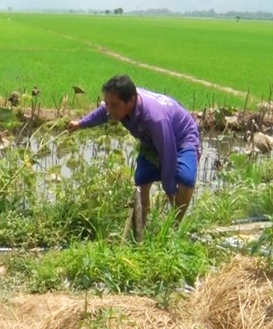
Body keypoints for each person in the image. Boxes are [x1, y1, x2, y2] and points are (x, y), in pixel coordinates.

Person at [67, 74, 201, 234]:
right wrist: (81, 123)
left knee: (185, 179)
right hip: (151, 141)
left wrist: (169, 187)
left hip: (181, 139)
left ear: (131, 101)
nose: (109, 109)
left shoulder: (154, 118)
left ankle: (174, 228)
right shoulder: (118, 106)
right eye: (108, 104)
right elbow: (103, 112)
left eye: (114, 105)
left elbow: (168, 152)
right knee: (141, 179)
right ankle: (140, 230)